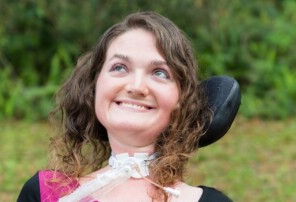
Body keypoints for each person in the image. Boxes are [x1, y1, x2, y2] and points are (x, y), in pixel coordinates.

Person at [17, 11, 232, 202]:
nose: (136, 87)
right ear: (93, 87)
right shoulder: (45, 194)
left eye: (159, 72)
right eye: (119, 67)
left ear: (182, 101)